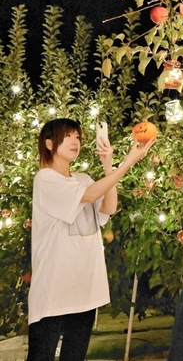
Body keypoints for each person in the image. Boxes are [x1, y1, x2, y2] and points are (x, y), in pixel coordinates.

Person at [26, 117, 155, 361]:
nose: (75, 142)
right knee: (40, 356)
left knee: (74, 356)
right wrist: (128, 162)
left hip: (84, 288)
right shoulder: (45, 179)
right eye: (68, 136)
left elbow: (109, 207)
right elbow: (90, 195)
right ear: (50, 144)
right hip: (54, 290)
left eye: (78, 137)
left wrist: (109, 164)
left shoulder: (83, 178)